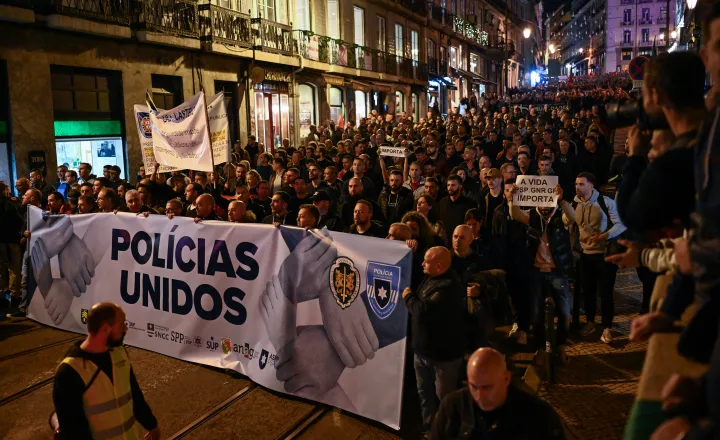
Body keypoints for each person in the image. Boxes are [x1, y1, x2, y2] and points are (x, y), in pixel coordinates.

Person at [53, 302, 160, 440]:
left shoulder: (119, 353)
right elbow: (73, 431)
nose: (126, 329)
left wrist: (151, 424)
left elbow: (134, 395)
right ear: (105, 329)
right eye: (122, 324)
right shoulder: (69, 372)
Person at [431, 347, 565, 439]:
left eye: (487, 387)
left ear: (506, 378)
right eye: (474, 386)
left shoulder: (539, 417)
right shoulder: (453, 408)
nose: (479, 396)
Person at [403, 246, 466, 436]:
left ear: (439, 266)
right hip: (421, 352)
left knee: (444, 398)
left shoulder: (449, 287)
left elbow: (423, 311)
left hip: (442, 358)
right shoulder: (429, 278)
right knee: (425, 395)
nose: (422, 264)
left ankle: (448, 432)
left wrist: (408, 296)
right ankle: (430, 429)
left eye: (426, 261)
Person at [509, 184, 575, 358]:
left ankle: (560, 344)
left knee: (564, 312)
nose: (545, 204)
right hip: (537, 272)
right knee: (537, 312)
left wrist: (562, 200)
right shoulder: (532, 215)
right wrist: (514, 198)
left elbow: (573, 218)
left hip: (557, 271)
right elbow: (515, 214)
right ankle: (540, 347)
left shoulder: (561, 216)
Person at [564, 172, 627, 344]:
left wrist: (605, 236)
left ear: (591, 185)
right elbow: (565, 221)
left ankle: (607, 327)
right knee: (589, 291)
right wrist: (561, 204)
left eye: (582, 184)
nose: (578, 187)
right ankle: (590, 322)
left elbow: (621, 224)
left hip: (605, 255)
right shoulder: (574, 203)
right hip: (585, 255)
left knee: (606, 292)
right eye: (576, 184)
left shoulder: (605, 202)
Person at [0, 182, 22, 310]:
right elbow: (18, 221)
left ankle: (2, 299)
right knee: (14, 270)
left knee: (1, 270)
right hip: (12, 240)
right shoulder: (11, 204)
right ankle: (15, 299)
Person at [437, 175, 476, 244]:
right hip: (445, 241)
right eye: (448, 185)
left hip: (461, 240)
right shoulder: (442, 202)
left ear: (460, 187)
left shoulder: (469, 204)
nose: (450, 188)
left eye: (453, 185)